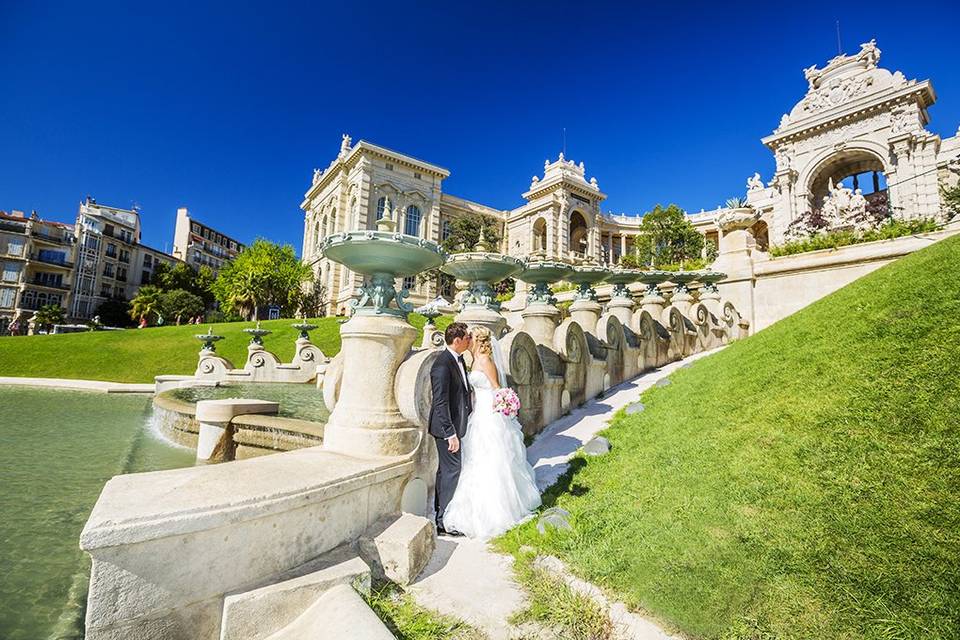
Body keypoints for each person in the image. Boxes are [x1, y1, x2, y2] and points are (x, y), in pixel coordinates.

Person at [442, 325, 542, 539]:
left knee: (493, 459)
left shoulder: (486, 361)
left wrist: (505, 403)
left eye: (470, 337)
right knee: (476, 460)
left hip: (489, 416)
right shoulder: (472, 361)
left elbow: (497, 388)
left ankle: (499, 512)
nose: (467, 340)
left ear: (477, 341)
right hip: (477, 415)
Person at [428, 322, 473, 536]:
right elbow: (440, 402)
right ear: (457, 341)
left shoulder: (458, 360)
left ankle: (440, 515)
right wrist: (450, 434)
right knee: (451, 472)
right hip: (446, 429)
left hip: (456, 426)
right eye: (467, 338)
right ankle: (443, 521)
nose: (469, 341)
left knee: (445, 472)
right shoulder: (442, 365)